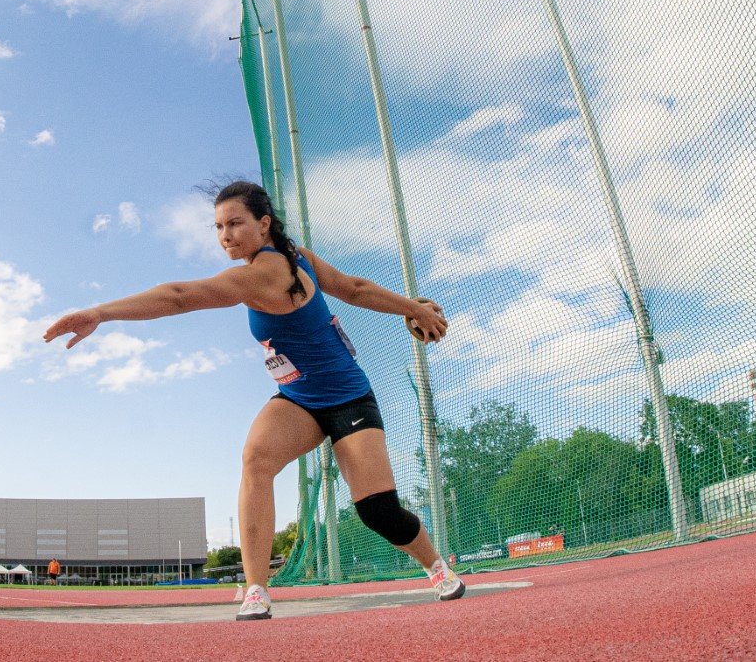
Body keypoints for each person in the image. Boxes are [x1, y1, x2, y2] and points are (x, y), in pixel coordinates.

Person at [43, 181, 464, 621]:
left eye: (235, 223)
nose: (225, 234)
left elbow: (180, 297)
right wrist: (410, 309)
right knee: (256, 459)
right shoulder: (290, 257)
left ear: (264, 224)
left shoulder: (267, 271)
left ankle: (435, 565)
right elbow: (354, 289)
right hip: (298, 398)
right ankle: (256, 589)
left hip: (347, 399)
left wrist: (100, 312)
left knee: (378, 512)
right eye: (218, 226)